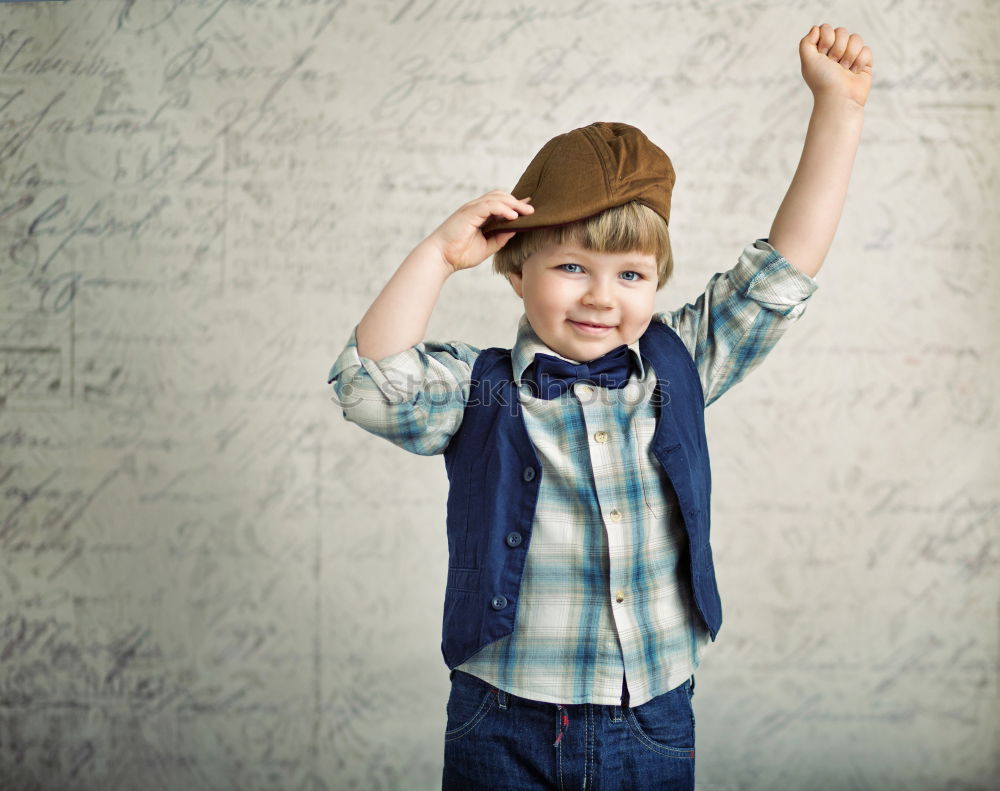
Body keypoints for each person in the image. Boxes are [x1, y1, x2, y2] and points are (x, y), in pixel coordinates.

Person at [327, 22, 871, 791]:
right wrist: (438, 256)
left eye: (630, 275)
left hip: (649, 715)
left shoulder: (680, 365)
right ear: (516, 268)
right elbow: (368, 382)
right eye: (572, 265)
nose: (599, 295)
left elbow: (782, 274)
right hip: (503, 715)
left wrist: (838, 111)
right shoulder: (481, 390)